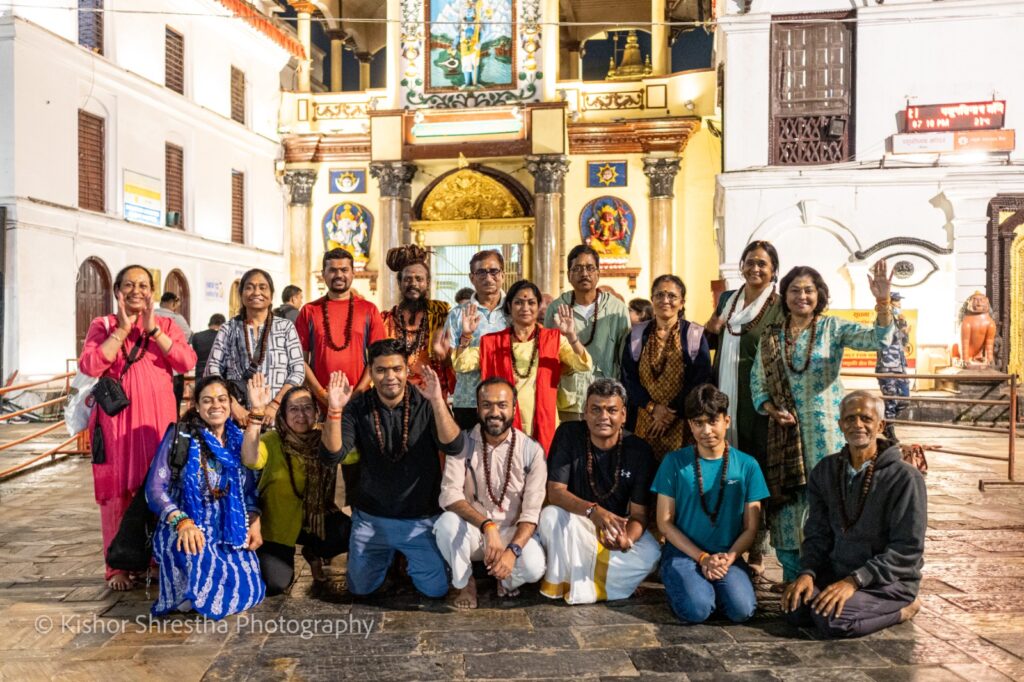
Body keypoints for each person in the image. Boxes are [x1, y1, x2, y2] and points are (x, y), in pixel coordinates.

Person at [751, 261, 894, 583]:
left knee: (829, 498)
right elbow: (757, 383)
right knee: (788, 507)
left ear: (819, 295)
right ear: (784, 296)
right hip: (785, 435)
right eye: (794, 290)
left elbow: (879, 339)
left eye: (808, 290)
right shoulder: (771, 337)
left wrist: (883, 302)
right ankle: (791, 575)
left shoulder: (833, 328)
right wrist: (771, 409)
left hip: (827, 431)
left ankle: (826, 573)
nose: (801, 296)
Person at [77, 265, 197, 591]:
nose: (136, 291)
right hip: (117, 425)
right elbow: (90, 364)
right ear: (117, 291)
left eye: (143, 285)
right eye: (128, 284)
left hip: (156, 425)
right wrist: (122, 330)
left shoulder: (167, 325)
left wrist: (153, 329)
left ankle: (157, 560)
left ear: (152, 292)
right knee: (118, 494)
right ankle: (118, 564)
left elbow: (186, 362)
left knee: (160, 488)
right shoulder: (102, 325)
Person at [325, 339, 464, 598]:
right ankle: (387, 560)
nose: (390, 377)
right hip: (371, 518)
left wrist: (437, 402)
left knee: (435, 591)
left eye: (397, 369)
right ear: (371, 371)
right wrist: (335, 409)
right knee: (361, 588)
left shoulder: (424, 401)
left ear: (405, 370)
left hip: (420, 519)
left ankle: (405, 560)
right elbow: (333, 454)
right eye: (381, 370)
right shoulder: (357, 407)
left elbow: (454, 445)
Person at [782, 391, 925, 638]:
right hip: (837, 573)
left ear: (880, 425)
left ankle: (904, 610)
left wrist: (855, 581)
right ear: (840, 425)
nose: (857, 425)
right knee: (794, 609)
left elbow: (907, 550)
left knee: (831, 621)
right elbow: (817, 533)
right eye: (849, 419)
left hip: (887, 582)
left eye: (865, 419)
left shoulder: (905, 478)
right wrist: (807, 573)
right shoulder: (826, 470)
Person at [145, 376, 264, 619]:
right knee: (198, 561)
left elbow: (249, 488)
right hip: (187, 525)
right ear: (197, 406)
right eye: (207, 400)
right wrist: (183, 522)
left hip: (228, 529)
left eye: (222, 399)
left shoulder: (237, 440)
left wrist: (253, 520)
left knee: (250, 586)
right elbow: (155, 489)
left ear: (231, 405)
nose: (215, 406)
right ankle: (187, 594)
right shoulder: (182, 437)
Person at [653, 385, 769, 624]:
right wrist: (703, 558)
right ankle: (687, 584)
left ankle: (711, 586)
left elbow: (751, 527)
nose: (706, 430)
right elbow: (664, 523)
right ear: (689, 425)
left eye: (712, 421)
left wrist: (728, 557)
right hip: (684, 553)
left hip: (728, 555)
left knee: (742, 610)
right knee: (697, 609)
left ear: (727, 421)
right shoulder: (674, 462)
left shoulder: (748, 465)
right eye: (698, 423)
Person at [538, 379, 661, 604]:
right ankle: (571, 583)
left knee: (652, 554)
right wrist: (593, 511)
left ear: (623, 415)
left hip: (612, 529)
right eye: (595, 409)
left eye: (611, 410)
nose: (603, 416)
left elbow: (639, 515)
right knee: (550, 517)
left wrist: (627, 539)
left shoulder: (640, 450)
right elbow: (555, 492)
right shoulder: (568, 434)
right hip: (576, 522)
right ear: (585, 412)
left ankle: (591, 582)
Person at [704, 240, 784, 572]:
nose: (755, 269)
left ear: (773, 270)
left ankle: (757, 547)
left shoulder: (779, 305)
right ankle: (727, 536)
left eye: (762, 264)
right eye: (750, 262)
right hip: (723, 394)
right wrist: (710, 330)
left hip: (755, 400)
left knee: (754, 468)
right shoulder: (727, 300)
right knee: (724, 467)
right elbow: (712, 338)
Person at [434, 377, 547, 608]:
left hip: (512, 533)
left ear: (514, 408)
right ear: (478, 408)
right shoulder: (463, 443)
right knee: (446, 525)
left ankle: (505, 578)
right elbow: (449, 495)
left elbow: (531, 513)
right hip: (474, 533)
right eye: (487, 405)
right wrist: (487, 526)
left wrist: (513, 551)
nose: (494, 412)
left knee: (535, 567)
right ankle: (465, 583)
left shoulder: (531, 450)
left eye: (502, 405)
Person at [242, 373, 351, 596]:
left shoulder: (325, 436)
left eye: (307, 408)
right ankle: (281, 555)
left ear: (316, 411)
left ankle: (314, 551)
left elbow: (350, 455)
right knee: (276, 583)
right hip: (279, 526)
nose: (301, 415)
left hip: (318, 520)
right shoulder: (271, 441)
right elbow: (251, 460)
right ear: (282, 415)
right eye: (293, 409)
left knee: (352, 532)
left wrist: (336, 410)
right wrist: (256, 413)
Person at [454, 279, 592, 453]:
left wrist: (572, 336)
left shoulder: (554, 339)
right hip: (504, 421)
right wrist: (466, 336)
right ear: (509, 307)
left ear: (538, 306)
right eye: (519, 302)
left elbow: (583, 364)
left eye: (531, 302)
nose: (525, 307)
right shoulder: (492, 342)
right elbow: (461, 363)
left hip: (544, 420)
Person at [621, 275, 712, 462]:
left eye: (672, 296)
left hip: (682, 421)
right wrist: (653, 408)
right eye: (660, 295)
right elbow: (628, 377)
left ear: (682, 302)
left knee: (680, 475)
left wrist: (669, 414)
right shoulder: (637, 334)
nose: (665, 300)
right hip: (644, 420)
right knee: (644, 471)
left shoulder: (694, 334)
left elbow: (700, 379)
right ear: (652, 299)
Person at [205, 269, 305, 423]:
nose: (256, 292)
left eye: (262, 287)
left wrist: (275, 404)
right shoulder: (229, 328)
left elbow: (297, 371)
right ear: (242, 294)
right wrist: (232, 405)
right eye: (250, 287)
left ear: (271, 295)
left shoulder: (285, 327)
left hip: (277, 418)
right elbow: (212, 371)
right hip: (239, 418)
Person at [544, 245, 631, 423]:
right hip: (569, 399)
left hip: (606, 398)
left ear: (598, 273)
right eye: (577, 268)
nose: (584, 273)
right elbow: (549, 355)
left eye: (590, 268)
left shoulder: (617, 308)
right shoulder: (556, 308)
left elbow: (624, 359)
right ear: (569, 275)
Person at [296, 249, 386, 403]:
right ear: (323, 274)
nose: (338, 275)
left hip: (360, 400)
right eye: (332, 270)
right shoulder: (309, 311)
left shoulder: (369, 309)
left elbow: (377, 359)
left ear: (353, 273)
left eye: (344, 270)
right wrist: (322, 395)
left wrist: (357, 394)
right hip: (320, 401)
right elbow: (300, 360)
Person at [443, 249, 509, 431]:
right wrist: (466, 337)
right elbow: (450, 360)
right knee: (469, 455)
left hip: (506, 400)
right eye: (481, 272)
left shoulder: (513, 311)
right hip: (468, 400)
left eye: (494, 271)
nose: (488, 277)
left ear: (502, 275)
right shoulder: (458, 314)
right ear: (472, 278)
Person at [381, 245, 456, 397]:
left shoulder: (441, 316)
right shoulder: (386, 321)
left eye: (419, 279)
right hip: (396, 397)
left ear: (427, 283)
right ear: (399, 283)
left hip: (433, 397)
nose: (413, 284)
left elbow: (454, 362)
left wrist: (445, 356)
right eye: (408, 279)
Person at [876, 292, 910, 441]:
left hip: (900, 365)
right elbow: (884, 337)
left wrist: (905, 330)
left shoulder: (901, 320)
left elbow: (904, 342)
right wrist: (900, 331)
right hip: (887, 365)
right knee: (890, 400)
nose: (899, 305)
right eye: (895, 302)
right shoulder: (884, 319)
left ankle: (883, 421)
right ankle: (889, 429)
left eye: (898, 302)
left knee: (904, 399)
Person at [155, 291, 193, 413]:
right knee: (174, 403)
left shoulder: (150, 315)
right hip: (174, 370)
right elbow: (187, 337)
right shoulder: (177, 319)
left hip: (153, 368)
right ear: (173, 303)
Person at [190, 313, 225, 379]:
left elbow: (194, 354)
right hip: (219, 377)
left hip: (201, 375)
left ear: (209, 324)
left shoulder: (197, 336)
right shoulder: (225, 338)